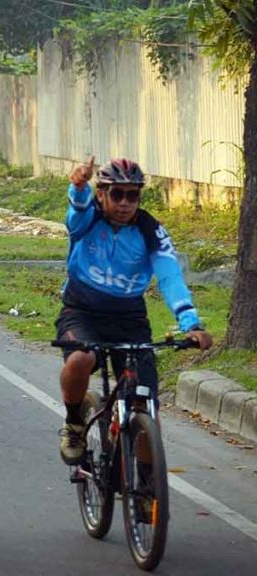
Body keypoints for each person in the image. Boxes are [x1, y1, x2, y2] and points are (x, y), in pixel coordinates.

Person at [55, 156, 213, 465]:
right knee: (80, 358)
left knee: (143, 405)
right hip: (82, 311)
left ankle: (147, 486)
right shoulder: (89, 219)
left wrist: (190, 322)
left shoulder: (150, 230)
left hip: (129, 318)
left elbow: (169, 275)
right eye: (117, 194)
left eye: (133, 195)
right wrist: (77, 188)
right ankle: (74, 422)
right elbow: (76, 215)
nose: (125, 203)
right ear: (101, 194)